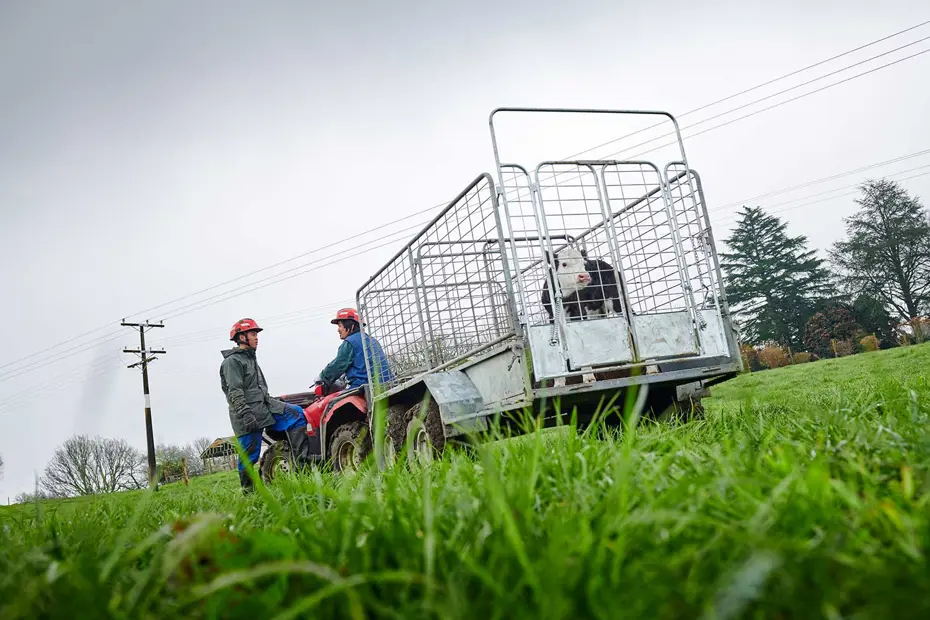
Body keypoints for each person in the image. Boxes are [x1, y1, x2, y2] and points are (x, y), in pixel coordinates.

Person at [220, 318, 320, 492]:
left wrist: (276, 402)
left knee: (296, 414)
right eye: (253, 334)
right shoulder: (232, 362)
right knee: (249, 454)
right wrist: (245, 413)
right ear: (241, 337)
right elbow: (234, 392)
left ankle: (302, 473)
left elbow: (257, 389)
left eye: (256, 334)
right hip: (247, 414)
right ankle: (249, 492)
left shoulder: (251, 359)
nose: (256, 338)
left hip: (264, 407)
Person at [318, 308, 394, 392]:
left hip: (364, 386)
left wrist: (322, 377)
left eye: (340, 326)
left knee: (331, 403)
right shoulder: (372, 340)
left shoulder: (350, 342)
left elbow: (338, 365)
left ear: (352, 325)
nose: (338, 330)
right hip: (386, 384)